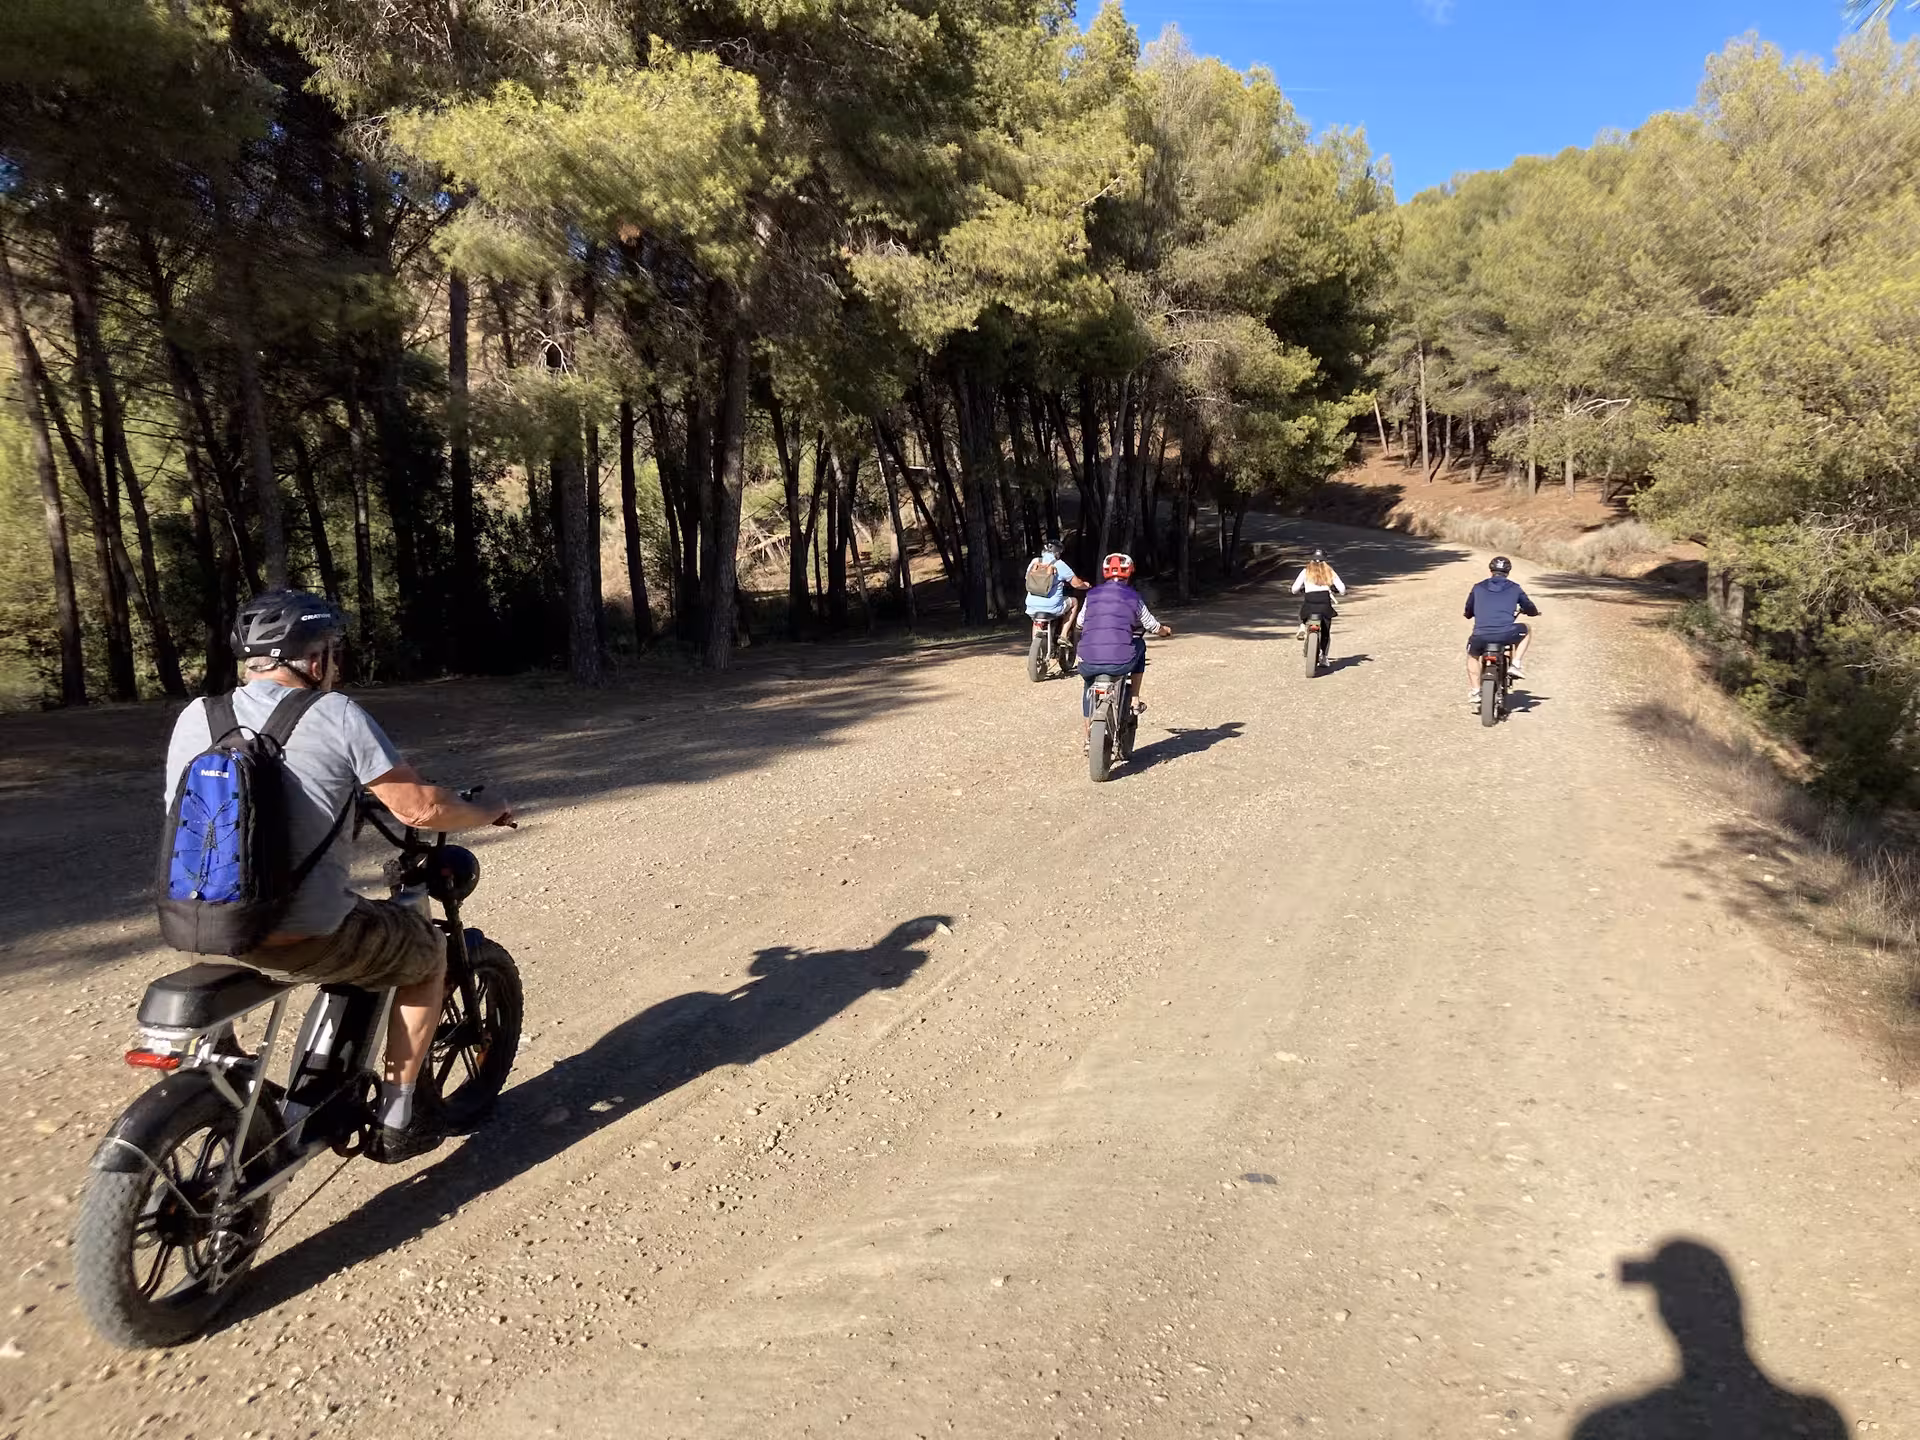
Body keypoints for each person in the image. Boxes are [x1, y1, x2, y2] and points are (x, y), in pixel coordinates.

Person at [161, 591, 515, 1163]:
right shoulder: (335, 713)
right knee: (427, 953)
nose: (336, 664)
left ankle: (234, 1075)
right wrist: (488, 808)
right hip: (298, 932)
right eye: (332, 651)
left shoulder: (195, 716)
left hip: (197, 922)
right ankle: (402, 1114)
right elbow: (419, 809)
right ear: (315, 659)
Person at [1075, 553, 1172, 748]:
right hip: (1119, 661)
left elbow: (1079, 623)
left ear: (1105, 573)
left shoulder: (1091, 595)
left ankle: (1087, 737)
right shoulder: (1133, 597)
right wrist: (1165, 631)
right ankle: (1134, 698)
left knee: (1088, 687)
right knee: (1140, 646)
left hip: (1088, 661)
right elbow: (1151, 625)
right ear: (1130, 573)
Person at [1464, 555, 1539, 706]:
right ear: (1508, 571)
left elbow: (1468, 610)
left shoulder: (1478, 587)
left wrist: (1469, 614)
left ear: (1491, 570)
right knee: (1527, 629)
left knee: (1472, 656)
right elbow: (1529, 606)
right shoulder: (1514, 587)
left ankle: (1475, 691)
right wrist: (1533, 612)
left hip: (1480, 636)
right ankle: (1516, 664)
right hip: (1507, 634)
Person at [1290, 548, 1347, 666]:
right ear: (1325, 560)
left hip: (1310, 603)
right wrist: (1334, 589)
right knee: (1326, 632)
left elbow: (1294, 589)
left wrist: (1302, 589)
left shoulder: (1305, 571)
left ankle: (1302, 625)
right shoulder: (1330, 571)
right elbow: (1342, 590)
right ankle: (1324, 658)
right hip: (1324, 604)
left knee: (1303, 610)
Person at [1024, 536, 1090, 636]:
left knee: (1036, 620)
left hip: (1031, 606)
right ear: (1058, 552)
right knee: (1074, 602)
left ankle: (1035, 644)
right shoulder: (1059, 564)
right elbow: (1076, 584)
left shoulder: (1035, 562)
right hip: (1052, 607)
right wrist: (1086, 585)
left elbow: (1027, 578)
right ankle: (1063, 635)